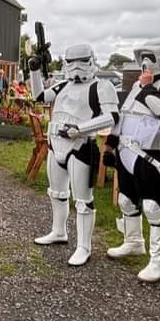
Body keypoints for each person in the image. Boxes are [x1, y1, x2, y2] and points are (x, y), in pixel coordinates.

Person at [104, 38, 160, 282]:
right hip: (128, 152)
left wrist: (148, 88)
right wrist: (110, 145)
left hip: (156, 154)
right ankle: (133, 242)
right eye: (143, 59)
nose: (145, 64)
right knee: (126, 201)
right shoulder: (138, 86)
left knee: (153, 206)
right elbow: (123, 117)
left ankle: (159, 261)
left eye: (150, 58)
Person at [29, 44, 119, 266]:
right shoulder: (62, 86)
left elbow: (112, 117)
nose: (76, 67)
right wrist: (34, 70)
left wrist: (82, 129)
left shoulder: (101, 87)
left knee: (82, 200)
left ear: (91, 61)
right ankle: (58, 231)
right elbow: (40, 95)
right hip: (55, 144)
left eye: (82, 61)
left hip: (79, 146)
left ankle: (84, 246)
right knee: (57, 193)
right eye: (71, 62)